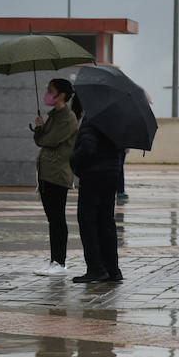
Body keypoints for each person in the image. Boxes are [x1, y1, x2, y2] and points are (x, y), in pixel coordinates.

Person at [32, 78, 80, 277]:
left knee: (57, 218)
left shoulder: (67, 118)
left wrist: (41, 131)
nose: (47, 94)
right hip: (46, 173)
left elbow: (48, 140)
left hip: (57, 174)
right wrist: (40, 128)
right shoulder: (54, 115)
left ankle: (59, 262)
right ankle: (54, 260)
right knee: (53, 219)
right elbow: (40, 140)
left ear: (61, 95)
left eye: (50, 90)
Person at [69, 113, 123, 284]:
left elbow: (87, 148)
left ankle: (96, 269)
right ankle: (112, 269)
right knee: (106, 222)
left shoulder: (92, 117)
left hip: (93, 176)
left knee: (88, 222)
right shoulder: (117, 119)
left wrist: (73, 160)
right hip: (111, 175)